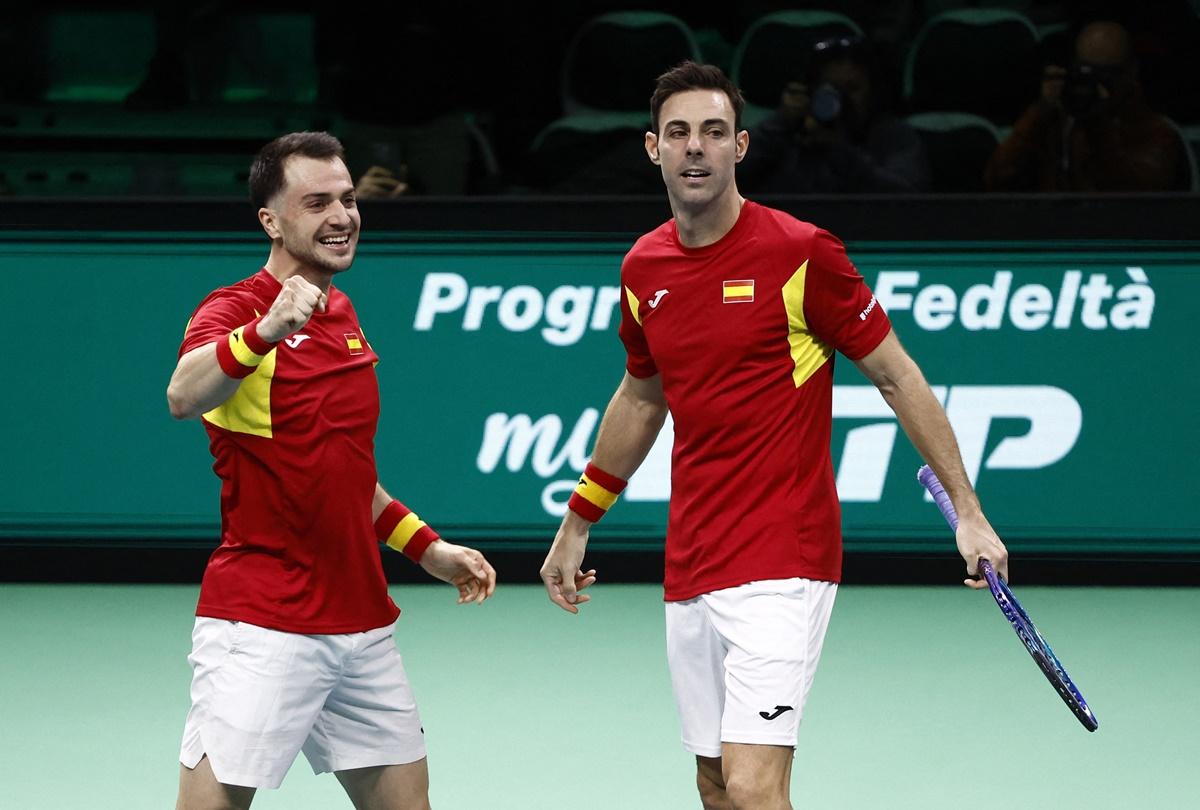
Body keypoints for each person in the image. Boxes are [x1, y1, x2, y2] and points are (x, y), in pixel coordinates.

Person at [539, 62, 1007, 810]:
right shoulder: (643, 267)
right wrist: (577, 522)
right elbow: (640, 395)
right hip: (692, 558)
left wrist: (970, 511)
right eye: (681, 133)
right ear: (653, 148)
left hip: (783, 555)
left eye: (715, 133)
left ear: (742, 147)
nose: (697, 149)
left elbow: (897, 376)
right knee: (716, 781)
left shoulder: (801, 252)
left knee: (756, 785)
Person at [166, 131, 496, 809]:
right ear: (272, 220)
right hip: (264, 625)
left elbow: (344, 477)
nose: (342, 215)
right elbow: (182, 393)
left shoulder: (340, 311)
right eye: (317, 202)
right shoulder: (235, 311)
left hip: (361, 626)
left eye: (347, 199)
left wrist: (426, 547)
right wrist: (265, 331)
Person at [985, 20, 1187, 192]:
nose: (1094, 82)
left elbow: (1134, 198)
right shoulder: (1055, 122)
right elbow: (998, 179)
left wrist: (1099, 126)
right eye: (1085, 72)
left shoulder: (1158, 133)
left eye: (1106, 74)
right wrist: (1040, 111)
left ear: (1131, 72)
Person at [737, 36, 930, 194]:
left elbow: (906, 197)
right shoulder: (788, 136)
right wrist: (780, 122)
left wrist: (839, 150)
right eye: (831, 88)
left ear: (872, 92)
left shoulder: (893, 136)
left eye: (852, 89)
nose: (841, 99)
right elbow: (730, 177)